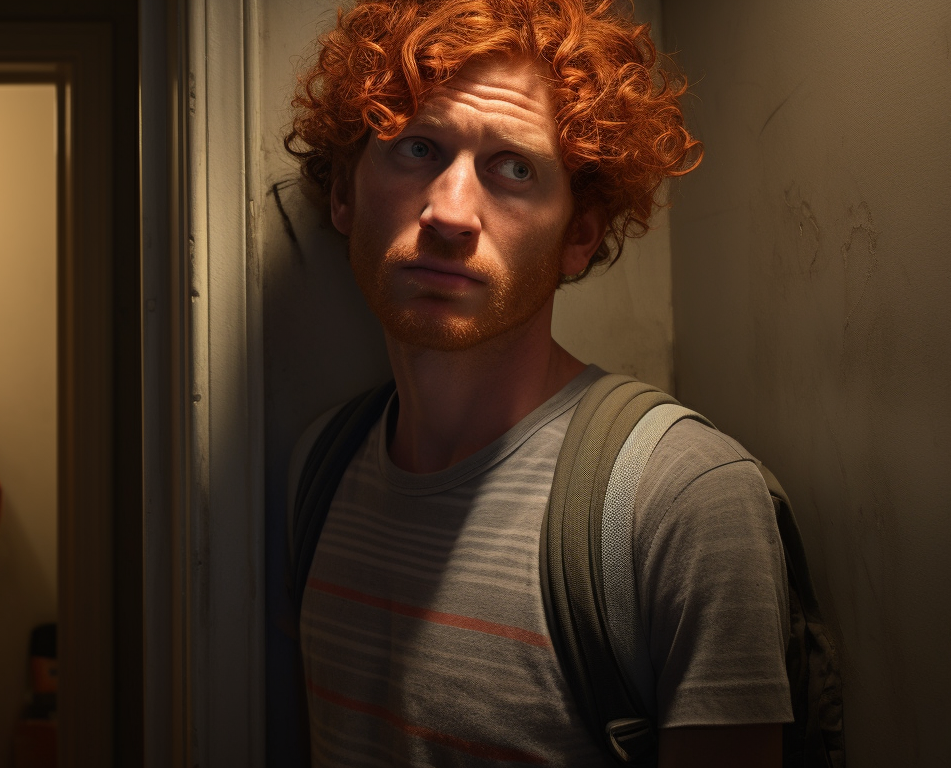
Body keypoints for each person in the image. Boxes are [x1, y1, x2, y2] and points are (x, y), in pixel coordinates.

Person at [281, 1, 792, 765]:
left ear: (578, 235)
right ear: (345, 196)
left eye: (513, 168)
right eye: (418, 147)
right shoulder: (319, 468)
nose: (451, 211)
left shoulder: (684, 500)